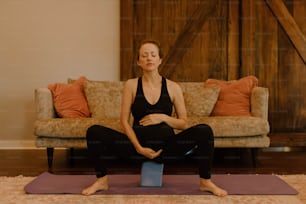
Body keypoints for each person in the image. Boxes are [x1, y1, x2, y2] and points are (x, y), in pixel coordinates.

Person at [81, 39, 227, 197]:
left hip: (167, 151)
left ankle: (205, 182)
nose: (149, 58)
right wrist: (139, 148)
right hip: (137, 150)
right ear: (138, 62)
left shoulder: (173, 87)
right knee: (94, 131)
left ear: (160, 60)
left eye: (153, 55)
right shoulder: (131, 85)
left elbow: (184, 124)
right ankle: (102, 180)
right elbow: (123, 122)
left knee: (204, 130)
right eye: (144, 55)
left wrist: (162, 117)